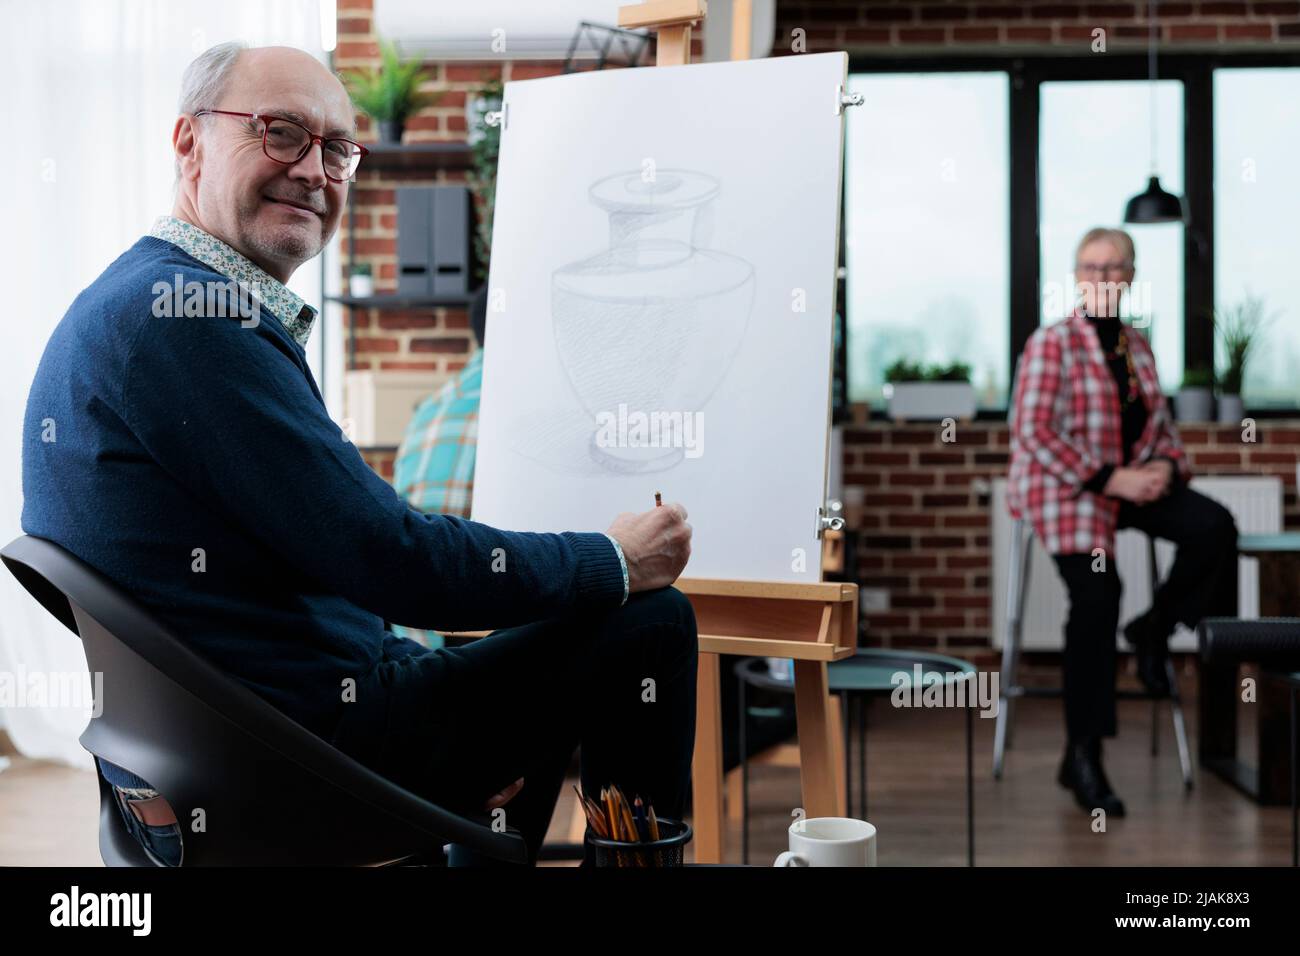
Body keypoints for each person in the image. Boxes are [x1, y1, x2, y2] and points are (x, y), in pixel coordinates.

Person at [21, 42, 696, 867]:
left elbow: (331, 575)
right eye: (281, 133)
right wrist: (613, 560)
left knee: (526, 669)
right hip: (297, 760)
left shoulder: (148, 300)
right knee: (646, 623)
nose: (315, 170)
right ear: (188, 143)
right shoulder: (188, 319)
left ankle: (471, 843)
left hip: (236, 751)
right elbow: (391, 556)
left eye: (337, 148)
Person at [1007, 226, 1237, 818]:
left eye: (1114, 268)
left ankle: (1153, 632)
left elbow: (1160, 428)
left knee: (1214, 526)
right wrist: (1112, 479)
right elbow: (1033, 434)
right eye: (1091, 268)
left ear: (1130, 276)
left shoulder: (1137, 346)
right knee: (1099, 591)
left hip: (1134, 480)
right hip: (1071, 487)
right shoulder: (1051, 343)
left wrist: (1161, 466)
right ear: (1076, 277)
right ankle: (1083, 754)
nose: (1103, 278)